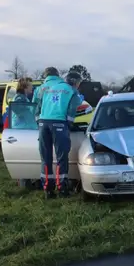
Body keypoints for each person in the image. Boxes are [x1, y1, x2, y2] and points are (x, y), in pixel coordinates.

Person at [32, 68, 82, 198]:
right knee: (61, 157)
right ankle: (62, 188)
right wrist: (69, 124)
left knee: (45, 157)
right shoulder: (71, 91)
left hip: (43, 123)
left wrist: (39, 123)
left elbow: (37, 106)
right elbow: (72, 109)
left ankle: (47, 189)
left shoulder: (48, 88)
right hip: (59, 123)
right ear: (76, 82)